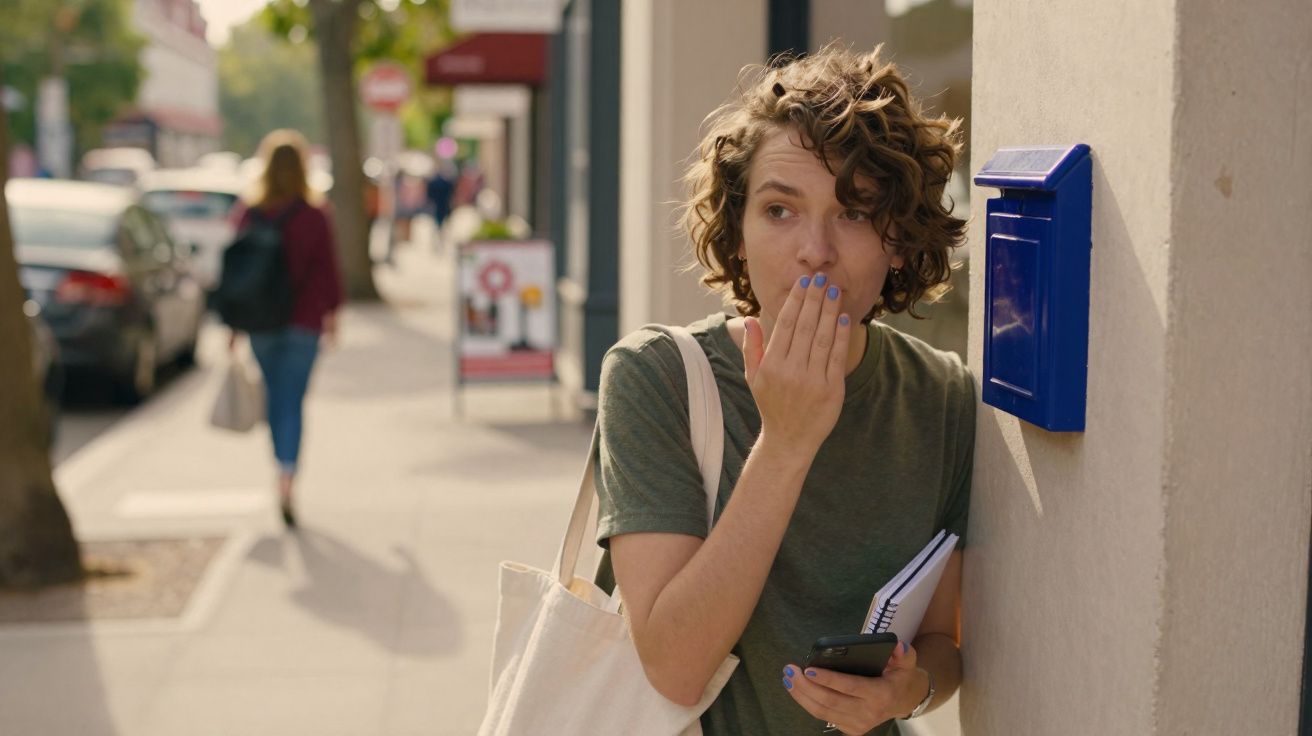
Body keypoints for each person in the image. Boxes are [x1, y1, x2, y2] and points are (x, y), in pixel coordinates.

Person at [593, 44, 974, 735]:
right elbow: (674, 668)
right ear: (736, 234)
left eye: (855, 213)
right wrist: (788, 440)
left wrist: (908, 691)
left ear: (897, 239)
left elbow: (945, 643)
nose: (816, 250)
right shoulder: (655, 377)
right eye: (779, 210)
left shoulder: (942, 398)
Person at [230, 129, 344, 528]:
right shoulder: (314, 215)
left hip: (261, 322)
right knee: (291, 400)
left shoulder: (249, 212)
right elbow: (329, 271)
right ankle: (287, 475)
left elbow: (235, 273)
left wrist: (233, 326)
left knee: (275, 396)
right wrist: (333, 316)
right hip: (304, 322)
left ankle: (279, 466)